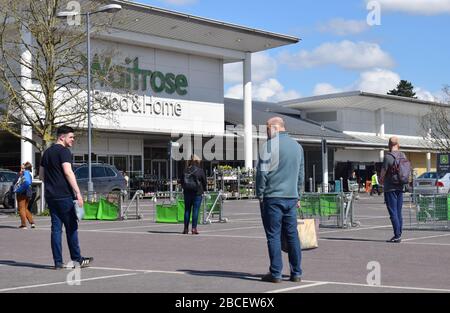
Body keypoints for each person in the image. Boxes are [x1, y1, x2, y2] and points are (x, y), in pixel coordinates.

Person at [256, 117, 304, 283]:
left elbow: (262, 173)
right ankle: (296, 272)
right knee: (292, 235)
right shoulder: (297, 147)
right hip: (291, 197)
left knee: (273, 236)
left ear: (273, 128)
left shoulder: (268, 146)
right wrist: (299, 194)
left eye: (266, 130)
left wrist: (260, 194)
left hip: (273, 197)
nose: (266, 133)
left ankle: (276, 273)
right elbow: (300, 174)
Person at [39, 125, 94, 269]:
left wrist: (52, 185)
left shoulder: (47, 152)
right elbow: (68, 172)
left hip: (51, 196)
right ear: (61, 137)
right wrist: (78, 193)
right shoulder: (64, 152)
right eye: (71, 137)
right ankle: (77, 260)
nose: (73, 139)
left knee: (56, 229)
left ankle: (58, 262)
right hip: (64, 196)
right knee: (71, 228)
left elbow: (41, 175)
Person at [380, 137, 408, 243]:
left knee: (393, 212)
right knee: (398, 212)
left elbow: (383, 172)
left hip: (390, 187)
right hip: (400, 186)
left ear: (389, 144)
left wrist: (381, 180)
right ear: (398, 144)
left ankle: (397, 235)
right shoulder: (403, 155)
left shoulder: (388, 157)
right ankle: (399, 233)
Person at [181, 155, 207, 235]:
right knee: (195, 211)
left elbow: (181, 181)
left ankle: (185, 229)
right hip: (197, 193)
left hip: (187, 192)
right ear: (197, 162)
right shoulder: (200, 171)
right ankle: (193, 229)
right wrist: (204, 190)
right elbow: (204, 182)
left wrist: (185, 188)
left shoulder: (185, 170)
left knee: (187, 210)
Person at [14, 162, 35, 229]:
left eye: (22, 167)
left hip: (21, 193)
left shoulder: (20, 174)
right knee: (25, 208)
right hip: (28, 193)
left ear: (25, 168)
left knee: (21, 209)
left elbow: (15, 182)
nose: (21, 168)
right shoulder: (29, 175)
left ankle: (23, 225)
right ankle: (32, 223)